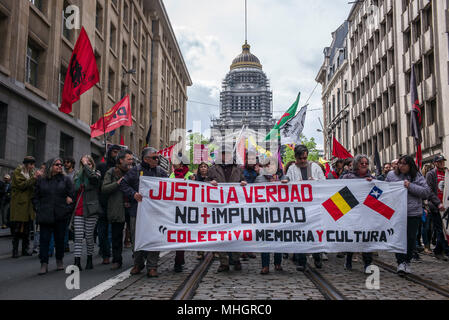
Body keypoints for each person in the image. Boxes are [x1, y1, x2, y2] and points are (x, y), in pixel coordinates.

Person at [120, 147, 168, 278]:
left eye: (157, 158)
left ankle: (152, 267)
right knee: (137, 238)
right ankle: (138, 263)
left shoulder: (160, 172)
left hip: (156, 213)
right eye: (154, 158)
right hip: (138, 211)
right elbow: (123, 185)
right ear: (146, 159)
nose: (157, 160)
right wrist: (133, 194)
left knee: (154, 238)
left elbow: (172, 185)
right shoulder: (135, 171)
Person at [282, 145, 325, 271]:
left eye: (305, 158)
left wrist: (315, 181)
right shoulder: (292, 169)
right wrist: (286, 182)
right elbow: (288, 183)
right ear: (296, 158)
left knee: (315, 233)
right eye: (300, 158)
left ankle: (317, 256)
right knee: (300, 233)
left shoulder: (315, 167)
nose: (303, 161)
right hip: (299, 208)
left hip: (314, 207)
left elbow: (325, 183)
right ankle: (301, 261)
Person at [386, 155, 431, 275]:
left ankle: (407, 261)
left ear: (410, 165)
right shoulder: (391, 175)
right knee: (399, 238)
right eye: (400, 163)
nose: (401, 166)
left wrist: (410, 186)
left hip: (413, 213)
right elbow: (385, 190)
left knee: (411, 238)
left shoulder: (417, 176)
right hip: (397, 213)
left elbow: (426, 192)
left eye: (404, 164)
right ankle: (400, 262)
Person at [209, 146, 247, 272]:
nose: (227, 157)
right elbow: (204, 184)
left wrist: (243, 183)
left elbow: (244, 181)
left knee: (236, 234)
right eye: (224, 154)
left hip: (234, 207)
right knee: (220, 236)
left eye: (229, 154)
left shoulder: (238, 169)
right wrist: (210, 183)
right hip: (219, 208)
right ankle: (223, 262)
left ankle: (236, 259)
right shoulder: (213, 169)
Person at [33, 158, 74, 275]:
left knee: (60, 240)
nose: (60, 166)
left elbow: (72, 196)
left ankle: (59, 260)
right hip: (45, 214)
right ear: (51, 166)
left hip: (61, 214)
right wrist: (38, 209)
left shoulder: (66, 180)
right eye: (57, 164)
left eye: (61, 164)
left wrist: (67, 210)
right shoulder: (42, 180)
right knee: (44, 240)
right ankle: (44, 263)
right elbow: (35, 196)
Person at [340, 155, 375, 274]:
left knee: (366, 238)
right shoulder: (347, 177)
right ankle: (348, 259)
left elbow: (377, 195)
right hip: (352, 212)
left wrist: (372, 183)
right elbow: (339, 192)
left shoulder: (371, 178)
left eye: (366, 163)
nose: (364, 165)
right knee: (352, 237)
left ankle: (367, 263)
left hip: (366, 213)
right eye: (362, 163)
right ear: (356, 165)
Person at [101, 149, 133, 270]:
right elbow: (104, 189)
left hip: (132, 207)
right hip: (117, 208)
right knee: (116, 236)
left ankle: (138, 259)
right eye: (129, 159)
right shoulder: (111, 172)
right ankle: (116, 260)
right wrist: (117, 183)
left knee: (135, 234)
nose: (131, 161)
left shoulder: (133, 172)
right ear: (121, 160)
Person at [73, 155, 103, 271]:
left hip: (91, 209)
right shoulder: (78, 175)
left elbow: (94, 180)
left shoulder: (97, 174)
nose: (87, 165)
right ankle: (77, 262)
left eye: (89, 163)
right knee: (79, 236)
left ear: (92, 164)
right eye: (85, 163)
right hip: (79, 209)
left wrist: (86, 167)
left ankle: (89, 259)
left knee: (89, 236)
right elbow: (75, 188)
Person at [10, 156, 42, 258]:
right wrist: (34, 178)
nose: (33, 167)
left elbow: (34, 185)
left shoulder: (31, 173)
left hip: (29, 205)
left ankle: (25, 249)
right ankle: (15, 251)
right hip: (20, 204)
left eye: (33, 164)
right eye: (31, 164)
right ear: (27, 164)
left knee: (27, 229)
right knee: (17, 228)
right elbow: (21, 185)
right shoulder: (18, 172)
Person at [256, 156, 283, 275]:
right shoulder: (259, 179)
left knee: (278, 238)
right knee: (265, 240)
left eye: (272, 165)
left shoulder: (282, 178)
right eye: (267, 165)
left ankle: (278, 263)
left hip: (279, 214)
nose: (270, 167)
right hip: (264, 214)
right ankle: (265, 265)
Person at [97, 145, 122, 265]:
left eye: (118, 152)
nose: (115, 154)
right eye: (114, 152)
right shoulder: (102, 166)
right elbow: (98, 184)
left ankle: (115, 255)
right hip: (103, 202)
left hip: (116, 204)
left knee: (115, 232)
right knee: (102, 232)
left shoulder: (123, 169)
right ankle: (105, 253)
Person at [170, 154, 194, 272]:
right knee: (177, 236)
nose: (173, 164)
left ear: (181, 164)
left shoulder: (191, 176)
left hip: (187, 210)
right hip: (174, 209)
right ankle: (179, 259)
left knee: (182, 236)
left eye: (176, 162)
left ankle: (179, 260)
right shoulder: (172, 175)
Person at [426, 155, 449, 260]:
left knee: (445, 229)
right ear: (435, 163)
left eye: (443, 162)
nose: (441, 164)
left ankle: (440, 249)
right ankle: (440, 251)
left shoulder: (446, 173)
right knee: (439, 229)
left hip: (446, 206)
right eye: (439, 162)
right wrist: (437, 203)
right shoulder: (431, 174)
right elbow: (429, 191)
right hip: (436, 206)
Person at [193, 162, 211, 260]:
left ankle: (215, 251)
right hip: (199, 208)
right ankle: (200, 251)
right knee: (200, 230)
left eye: (205, 166)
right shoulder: (195, 179)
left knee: (213, 230)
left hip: (210, 208)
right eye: (201, 167)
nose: (203, 168)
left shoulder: (213, 179)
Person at [421, 163, 434, 254]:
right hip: (425, 206)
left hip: (432, 206)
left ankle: (428, 245)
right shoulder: (421, 181)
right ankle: (426, 246)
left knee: (431, 228)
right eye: (428, 169)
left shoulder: (432, 179)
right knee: (426, 227)